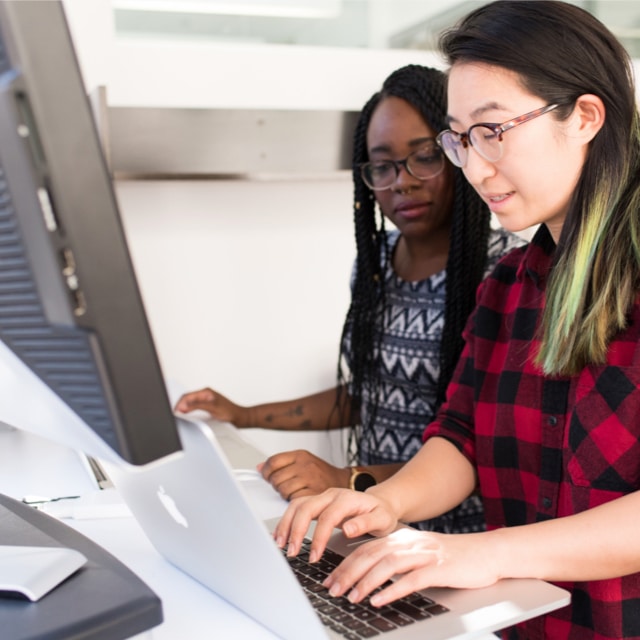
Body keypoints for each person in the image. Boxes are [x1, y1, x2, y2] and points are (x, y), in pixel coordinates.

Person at [273, 1, 640, 638]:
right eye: (461, 137)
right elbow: (461, 437)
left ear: (585, 117)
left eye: (493, 130)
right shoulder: (507, 288)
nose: (473, 165)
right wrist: (378, 503)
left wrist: (475, 552)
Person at [175, 64, 523, 533]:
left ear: (458, 152)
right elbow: (367, 394)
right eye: (382, 166)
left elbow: (486, 451)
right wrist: (243, 414)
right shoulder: (376, 263)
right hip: (378, 526)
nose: (401, 181)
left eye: (424, 157)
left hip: (460, 541)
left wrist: (347, 480)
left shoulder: (505, 273)